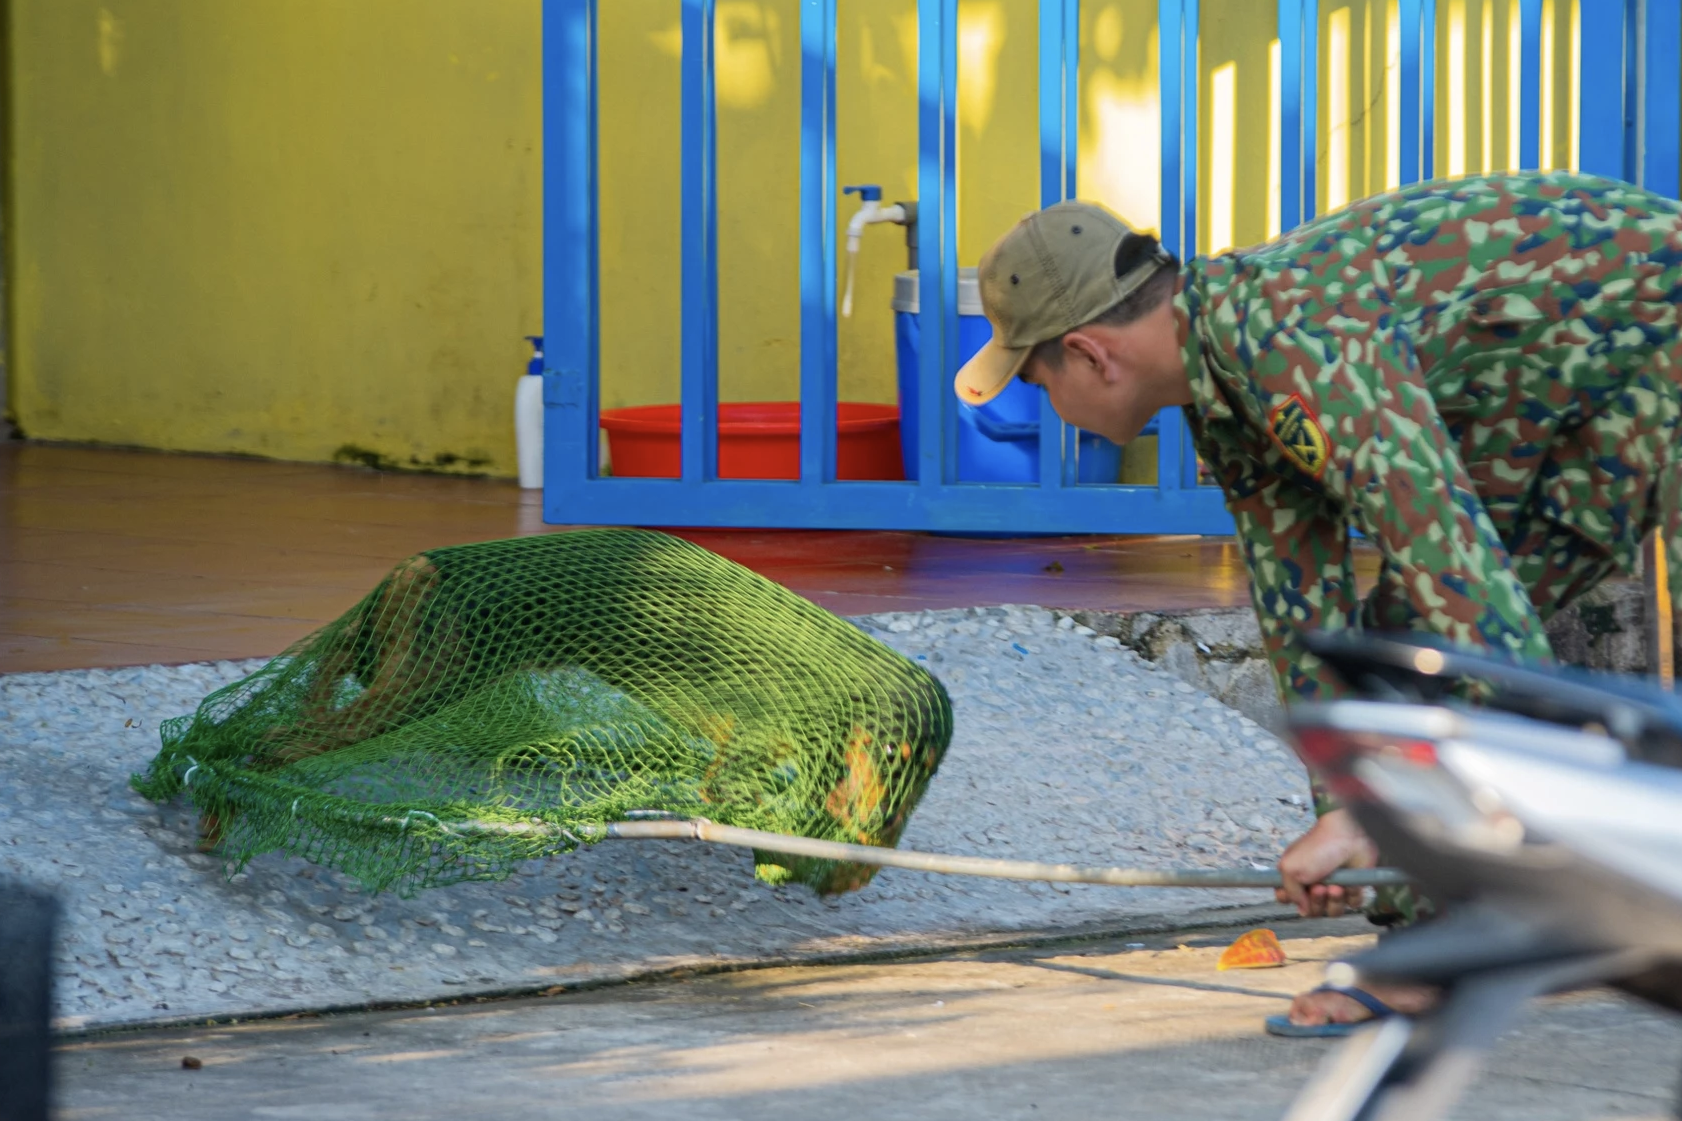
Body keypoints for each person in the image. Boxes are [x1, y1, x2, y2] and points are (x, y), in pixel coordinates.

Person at [952, 172, 1682, 1033]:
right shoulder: (1222, 387)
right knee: (1401, 651)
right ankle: (1430, 948)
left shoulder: (1296, 343)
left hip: (1650, 327)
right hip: (1573, 401)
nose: (1051, 410)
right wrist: (1345, 808)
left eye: (1036, 385)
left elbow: (1468, 587)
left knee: (1453, 632)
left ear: (1089, 353)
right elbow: (1306, 613)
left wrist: (1377, 810)